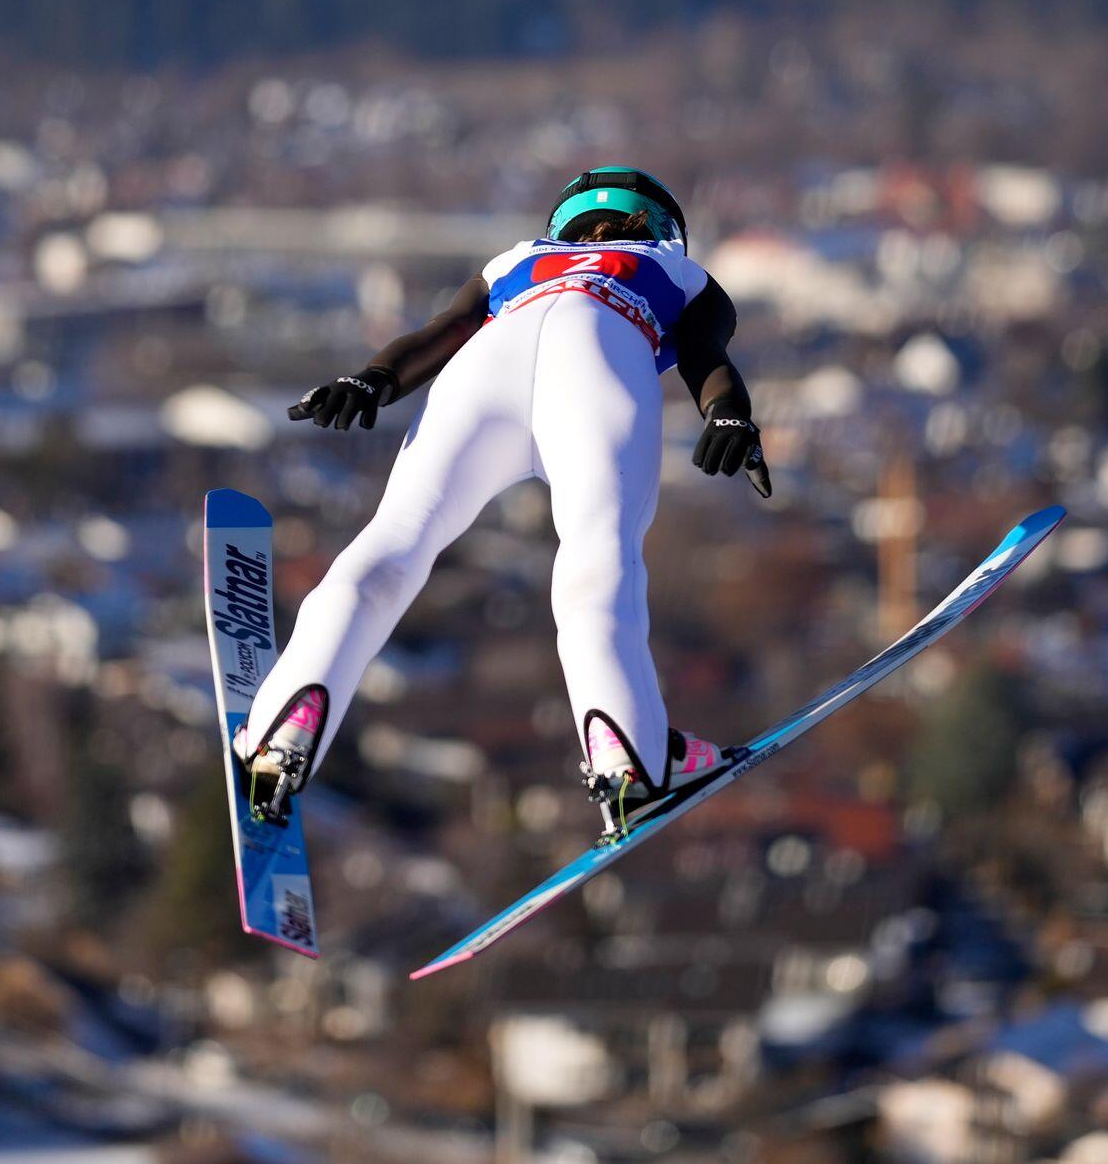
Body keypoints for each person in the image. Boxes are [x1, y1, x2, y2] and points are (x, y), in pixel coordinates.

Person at [236, 167, 769, 834]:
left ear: (563, 225)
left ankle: (282, 726)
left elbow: (445, 331)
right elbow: (704, 353)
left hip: (487, 361)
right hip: (601, 346)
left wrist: (371, 380)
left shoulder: (517, 259)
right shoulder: (677, 271)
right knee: (597, 552)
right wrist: (728, 415)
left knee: (396, 539)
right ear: (666, 229)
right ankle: (628, 752)